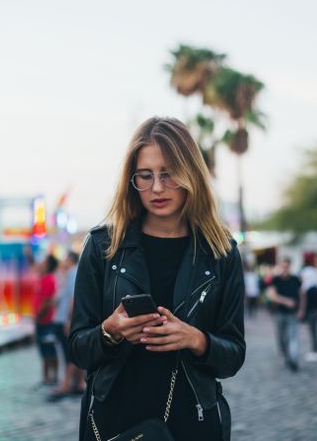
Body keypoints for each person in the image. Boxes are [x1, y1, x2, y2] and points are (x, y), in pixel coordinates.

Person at [69, 117, 245, 441]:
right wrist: (110, 331)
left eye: (169, 174)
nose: (158, 188)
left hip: (193, 423)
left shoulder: (221, 253)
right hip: (116, 424)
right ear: (131, 180)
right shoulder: (103, 248)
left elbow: (233, 355)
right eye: (145, 176)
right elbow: (79, 349)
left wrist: (196, 340)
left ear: (190, 174)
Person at [48, 251, 85, 401]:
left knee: (69, 353)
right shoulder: (70, 273)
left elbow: (73, 297)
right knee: (73, 352)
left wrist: (70, 320)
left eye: (65, 258)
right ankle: (79, 384)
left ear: (70, 260)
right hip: (65, 318)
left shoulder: (73, 273)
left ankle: (66, 384)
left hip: (66, 319)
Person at [266, 258, 301, 372]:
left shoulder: (296, 279)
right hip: (279, 313)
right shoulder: (276, 280)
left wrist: (301, 309)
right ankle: (287, 355)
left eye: (287, 266)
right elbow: (272, 296)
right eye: (283, 266)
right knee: (282, 338)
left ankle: (293, 360)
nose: (285, 268)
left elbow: (302, 294)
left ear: (290, 266)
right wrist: (287, 301)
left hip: (292, 314)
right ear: (280, 266)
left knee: (293, 338)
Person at [34, 254, 60, 385]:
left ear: (48, 265)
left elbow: (47, 301)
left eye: (43, 262)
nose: (41, 264)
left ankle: (53, 376)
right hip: (40, 320)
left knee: (49, 349)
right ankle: (46, 377)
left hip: (46, 321)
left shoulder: (49, 280)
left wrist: (38, 316)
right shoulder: (42, 278)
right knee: (43, 349)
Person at [297, 252, 317, 362]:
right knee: (314, 328)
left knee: (312, 329)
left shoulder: (303, 272)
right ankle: (316, 350)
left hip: (309, 303)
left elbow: (303, 292)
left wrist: (302, 309)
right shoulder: (316, 271)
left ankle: (315, 351)